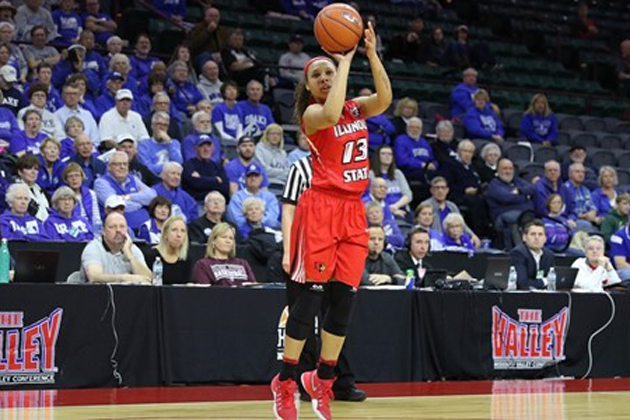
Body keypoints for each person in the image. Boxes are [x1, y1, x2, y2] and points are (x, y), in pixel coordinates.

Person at [272, 22, 391, 420]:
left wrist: (371, 54)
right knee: (308, 301)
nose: (325, 77)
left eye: (329, 72)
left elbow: (386, 99)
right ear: (307, 86)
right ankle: (286, 380)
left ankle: (321, 380)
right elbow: (334, 110)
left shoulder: (356, 106)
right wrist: (343, 62)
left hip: (353, 211)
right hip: (321, 207)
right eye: (317, 75)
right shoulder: (313, 114)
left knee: (344, 301)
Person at [280, 154, 366, 403]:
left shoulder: (347, 167)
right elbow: (289, 210)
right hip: (307, 247)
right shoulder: (301, 168)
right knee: (305, 314)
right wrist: (288, 250)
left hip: (337, 248)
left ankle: (339, 381)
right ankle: (302, 381)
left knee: (338, 313)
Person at [80, 212, 152, 284]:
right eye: (112, 227)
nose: (118, 230)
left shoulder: (132, 249)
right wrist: (124, 278)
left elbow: (148, 278)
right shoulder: (93, 248)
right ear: (103, 231)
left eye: (122, 226)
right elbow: (94, 277)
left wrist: (129, 255)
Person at [94, 150, 157, 229]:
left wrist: (129, 197)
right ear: (109, 167)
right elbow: (116, 206)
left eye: (125, 164)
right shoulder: (101, 182)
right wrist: (141, 203)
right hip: (121, 228)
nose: (122, 167)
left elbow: (152, 196)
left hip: (146, 226)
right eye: (118, 164)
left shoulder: (133, 178)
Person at [485, 158, 536, 250]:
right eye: (504, 168)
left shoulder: (518, 181)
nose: (508, 171)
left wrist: (519, 191)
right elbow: (505, 198)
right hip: (502, 217)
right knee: (518, 219)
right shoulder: (494, 184)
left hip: (525, 213)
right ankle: (520, 250)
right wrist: (524, 197)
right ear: (498, 170)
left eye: (510, 168)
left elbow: (532, 189)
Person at [421, 176, 480, 246]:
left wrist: (472, 235)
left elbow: (462, 224)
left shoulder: (452, 206)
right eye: (437, 188)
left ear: (447, 190)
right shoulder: (425, 205)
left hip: (454, 241)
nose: (440, 191)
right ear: (431, 190)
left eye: (443, 188)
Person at [192, 222, 256, 286]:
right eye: (224, 237)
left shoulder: (243, 263)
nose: (228, 241)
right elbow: (204, 292)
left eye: (231, 238)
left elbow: (254, 287)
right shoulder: (203, 264)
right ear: (213, 241)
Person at [143, 215, 192, 284]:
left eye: (183, 231)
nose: (179, 235)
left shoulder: (185, 259)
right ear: (165, 233)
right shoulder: (151, 256)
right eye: (174, 230)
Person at [369, 145, 412, 219]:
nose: (387, 156)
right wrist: (389, 210)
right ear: (377, 157)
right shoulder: (371, 174)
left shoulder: (398, 173)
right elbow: (371, 198)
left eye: (390, 154)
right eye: (383, 154)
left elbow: (408, 195)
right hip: (381, 211)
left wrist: (395, 206)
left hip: (400, 208)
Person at [510, 220, 555, 290]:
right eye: (533, 234)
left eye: (540, 234)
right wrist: (544, 281)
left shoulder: (549, 254)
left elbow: (554, 280)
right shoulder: (518, 253)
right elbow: (522, 283)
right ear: (524, 237)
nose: (537, 238)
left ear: (545, 238)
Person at [182, 135, 229, 202]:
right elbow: (194, 183)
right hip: (197, 202)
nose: (206, 149)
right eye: (202, 146)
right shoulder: (189, 165)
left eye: (208, 146)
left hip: (216, 201)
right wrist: (216, 180)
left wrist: (201, 179)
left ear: (213, 149)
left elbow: (225, 187)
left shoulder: (217, 166)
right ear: (195, 149)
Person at [54, 82, 100, 147]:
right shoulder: (56, 115)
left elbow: (96, 139)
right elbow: (59, 138)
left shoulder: (87, 114)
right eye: (68, 94)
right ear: (63, 96)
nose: (72, 97)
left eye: (75, 94)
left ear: (79, 96)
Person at [137, 112, 183, 176]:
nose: (162, 127)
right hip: (153, 179)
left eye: (165, 125)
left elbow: (179, 163)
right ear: (152, 126)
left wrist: (169, 143)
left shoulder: (174, 143)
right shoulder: (144, 144)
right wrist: (167, 167)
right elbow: (146, 168)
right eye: (159, 124)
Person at [393, 117, 437, 181]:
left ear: (421, 130)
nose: (415, 130)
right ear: (407, 128)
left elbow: (431, 158)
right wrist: (422, 165)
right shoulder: (401, 140)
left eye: (417, 127)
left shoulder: (424, 142)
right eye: (412, 127)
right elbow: (402, 161)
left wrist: (434, 165)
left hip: (425, 170)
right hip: (409, 171)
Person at [62, 162, 101, 234]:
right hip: (73, 231)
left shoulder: (91, 194)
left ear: (82, 177)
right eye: (70, 176)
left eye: (77, 175)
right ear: (66, 180)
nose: (74, 179)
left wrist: (96, 235)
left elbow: (96, 218)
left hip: (91, 230)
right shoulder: (63, 196)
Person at [564, 162, 601, 230]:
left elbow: (592, 207)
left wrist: (593, 213)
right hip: (572, 221)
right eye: (577, 172)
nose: (581, 174)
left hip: (587, 220)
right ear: (570, 174)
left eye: (583, 172)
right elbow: (567, 211)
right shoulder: (565, 189)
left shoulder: (585, 190)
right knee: (587, 226)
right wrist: (585, 216)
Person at [15, 153, 49, 222]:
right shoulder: (15, 190)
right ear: (20, 172)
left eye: (36, 169)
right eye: (29, 168)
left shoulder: (39, 188)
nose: (33, 172)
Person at [255, 123, 289, 188]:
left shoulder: (283, 153)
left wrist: (273, 172)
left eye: (278, 134)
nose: (275, 137)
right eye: (272, 134)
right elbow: (264, 171)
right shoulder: (259, 149)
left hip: (282, 184)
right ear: (267, 135)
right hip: (265, 185)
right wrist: (281, 172)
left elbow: (288, 173)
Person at [211, 80, 243, 145]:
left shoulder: (239, 109)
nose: (232, 92)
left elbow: (240, 130)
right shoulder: (218, 109)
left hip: (236, 141)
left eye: (234, 89)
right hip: (223, 141)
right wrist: (234, 141)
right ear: (224, 93)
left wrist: (239, 140)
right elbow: (220, 132)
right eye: (229, 89)